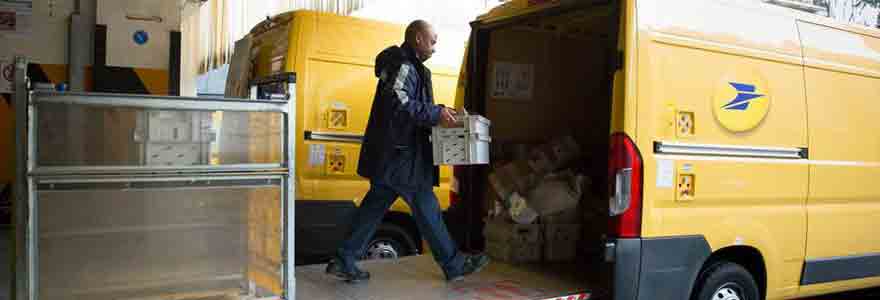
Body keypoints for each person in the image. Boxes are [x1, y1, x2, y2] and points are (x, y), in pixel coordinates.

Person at [325, 20, 489, 283]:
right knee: (426, 207)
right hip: (402, 157)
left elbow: (412, 105)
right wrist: (436, 113)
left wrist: (443, 111)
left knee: (373, 209)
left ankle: (344, 259)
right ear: (417, 38)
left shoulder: (410, 67)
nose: (435, 48)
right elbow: (399, 104)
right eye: (432, 41)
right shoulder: (403, 65)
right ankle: (453, 264)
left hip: (393, 156)